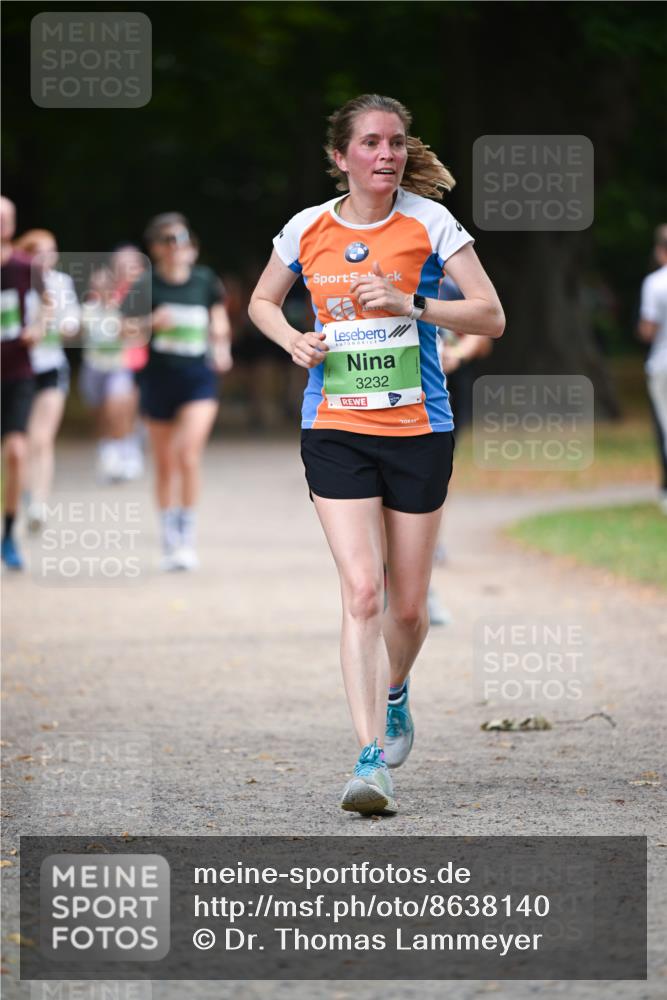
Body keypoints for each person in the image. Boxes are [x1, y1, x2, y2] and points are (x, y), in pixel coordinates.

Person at [249, 94, 504, 815]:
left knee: (408, 606)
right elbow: (262, 302)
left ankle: (395, 693)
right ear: (341, 156)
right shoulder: (306, 227)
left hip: (419, 428)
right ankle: (368, 761)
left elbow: (491, 315)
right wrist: (292, 339)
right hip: (334, 425)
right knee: (363, 591)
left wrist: (410, 304)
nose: (386, 154)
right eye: (370, 142)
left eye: (395, 142)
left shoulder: (431, 223)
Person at [121, 213, 233, 570]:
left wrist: (221, 345)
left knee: (187, 454)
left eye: (183, 239)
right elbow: (124, 331)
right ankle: (169, 535)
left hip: (198, 379)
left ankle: (187, 535)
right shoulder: (146, 285)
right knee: (165, 463)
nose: (177, 246)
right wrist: (151, 323)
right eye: (169, 240)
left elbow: (218, 317)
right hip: (158, 380)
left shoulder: (204, 280)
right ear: (156, 248)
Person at [13, 229, 80, 532]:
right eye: (38, 251)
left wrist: (64, 324)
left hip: (51, 366)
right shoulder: (14, 281)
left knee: (42, 439)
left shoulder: (61, 283)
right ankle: (24, 494)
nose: (46, 257)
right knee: (20, 441)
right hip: (19, 369)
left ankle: (39, 503)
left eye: (51, 250)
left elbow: (72, 318)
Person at [1, 196, 43, 569]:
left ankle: (9, 534)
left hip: (17, 373)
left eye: (7, 218)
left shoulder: (25, 266)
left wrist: (39, 327)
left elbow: (49, 304)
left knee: (16, 452)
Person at [637, 224, 667, 514]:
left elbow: (649, 329)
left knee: (665, 426)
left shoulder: (655, 283)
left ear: (660, 251)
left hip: (662, 364)